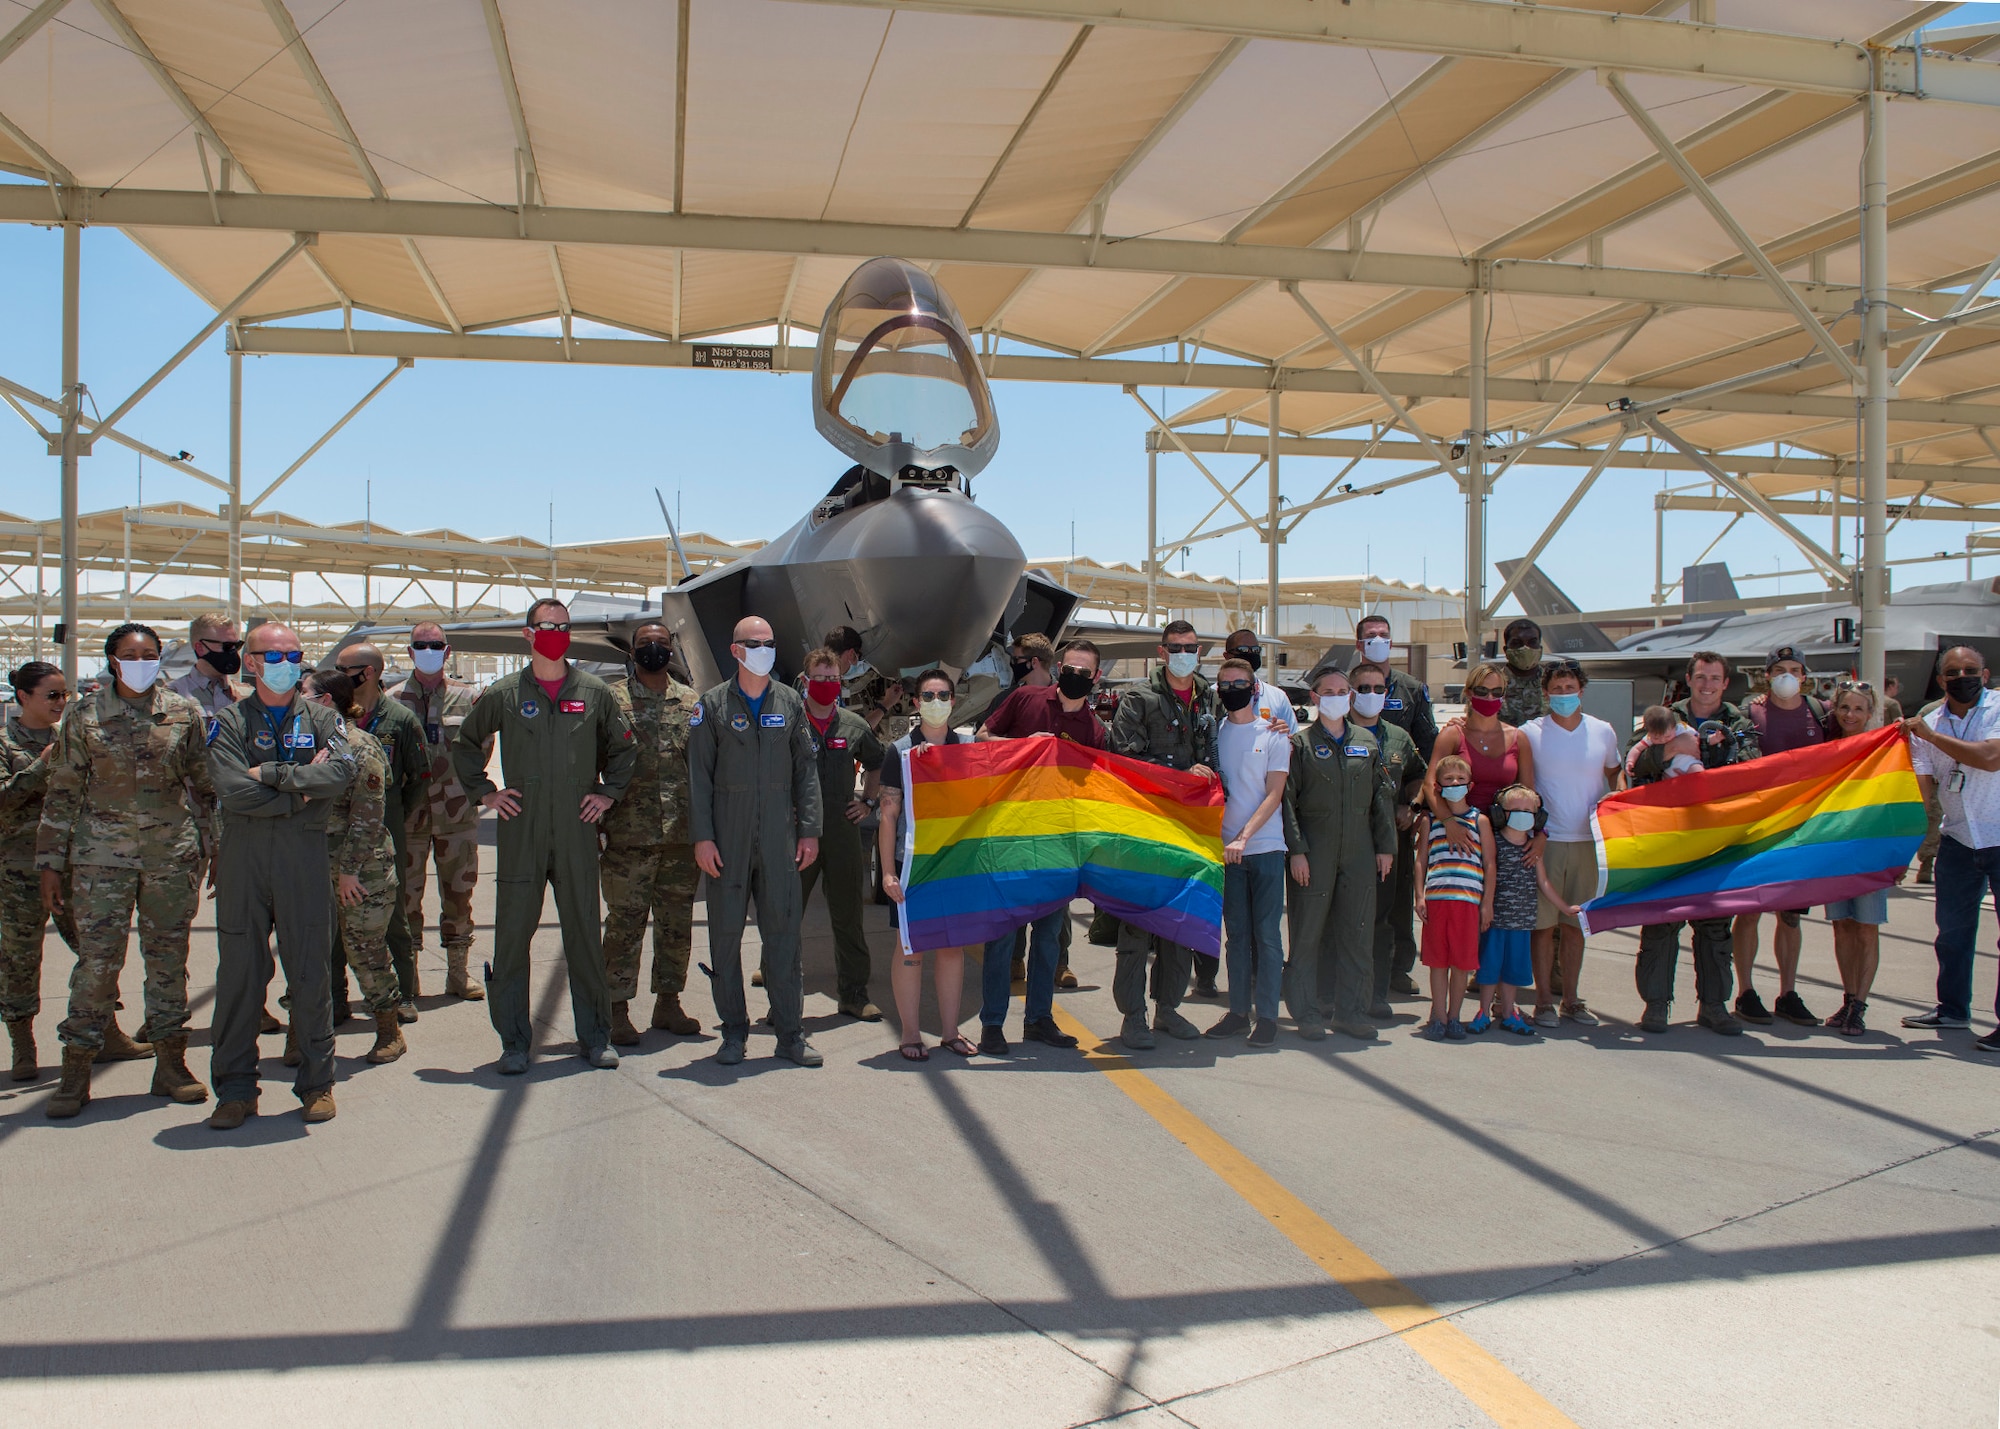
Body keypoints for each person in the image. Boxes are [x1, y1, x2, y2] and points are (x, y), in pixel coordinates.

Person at [35, 625, 215, 1120]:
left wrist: (215, 846)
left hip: (170, 858)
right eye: (130, 654)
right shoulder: (84, 714)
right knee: (96, 965)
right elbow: (63, 790)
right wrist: (50, 863)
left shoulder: (183, 712)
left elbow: (204, 785)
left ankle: (171, 1064)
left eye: (150, 654)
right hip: (99, 861)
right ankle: (76, 1073)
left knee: (167, 961)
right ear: (112, 660)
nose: (141, 661)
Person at [453, 599, 636, 1074]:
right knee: (512, 939)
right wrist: (485, 793)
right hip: (522, 831)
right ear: (528, 634)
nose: (554, 632)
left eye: (562, 626)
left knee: (584, 938)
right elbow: (466, 743)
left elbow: (624, 750)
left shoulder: (594, 692)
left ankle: (595, 1037)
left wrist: (608, 794)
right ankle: (514, 1042)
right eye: (546, 626)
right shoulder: (506, 693)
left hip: (576, 830)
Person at [204, 621, 355, 1130]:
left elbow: (340, 772)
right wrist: (301, 794)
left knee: (311, 973)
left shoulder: (322, 718)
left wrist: (270, 774)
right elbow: (230, 789)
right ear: (250, 662)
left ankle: (317, 1084)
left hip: (304, 858)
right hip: (245, 859)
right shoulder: (226, 722)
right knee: (240, 975)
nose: (286, 663)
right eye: (274, 655)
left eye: (294, 654)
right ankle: (236, 1088)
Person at [689, 616, 824, 1068]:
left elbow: (806, 771)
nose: (764, 649)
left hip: (779, 841)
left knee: (784, 937)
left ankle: (790, 1033)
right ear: (736, 650)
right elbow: (699, 780)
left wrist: (810, 830)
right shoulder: (712, 706)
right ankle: (733, 1033)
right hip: (726, 837)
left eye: (769, 642)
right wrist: (703, 838)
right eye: (754, 642)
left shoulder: (789, 703)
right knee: (725, 937)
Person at [970, 640, 1101, 1054]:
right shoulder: (1026, 699)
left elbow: (1097, 789)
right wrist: (1024, 747)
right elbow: (982, 737)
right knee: (1003, 935)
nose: (1076, 677)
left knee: (1048, 938)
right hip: (1012, 835)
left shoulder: (1096, 730)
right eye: (1071, 669)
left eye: (1085, 673)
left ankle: (1039, 1019)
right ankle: (992, 1023)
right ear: (1059, 667)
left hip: (1059, 844)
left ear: (1095, 678)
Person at [1108, 620, 1220, 1049]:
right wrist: (1180, 773)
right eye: (1175, 647)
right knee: (1137, 924)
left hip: (1190, 827)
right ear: (1162, 651)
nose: (1183, 653)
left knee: (1180, 922)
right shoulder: (1140, 698)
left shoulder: (1208, 696)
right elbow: (1125, 758)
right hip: (1146, 823)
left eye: (1190, 647)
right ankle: (1132, 1016)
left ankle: (1168, 1009)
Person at [1628, 652, 1749, 1037]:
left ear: (1725, 682)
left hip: (1717, 837)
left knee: (1715, 926)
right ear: (1689, 679)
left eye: (1715, 678)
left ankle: (1714, 1005)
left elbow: (1750, 766)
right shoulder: (1663, 716)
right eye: (1701, 677)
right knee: (1661, 922)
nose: (1708, 684)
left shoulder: (1738, 722)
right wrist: (1673, 750)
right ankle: (1656, 1004)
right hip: (1669, 834)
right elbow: (1636, 761)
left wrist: (1710, 759)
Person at [600, 621, 704, 1043]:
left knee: (676, 923)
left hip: (681, 833)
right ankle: (615, 1008)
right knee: (624, 923)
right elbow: (593, 759)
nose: (654, 651)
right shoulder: (612, 700)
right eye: (646, 645)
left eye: (662, 645)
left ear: (672, 651)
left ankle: (668, 1004)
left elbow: (703, 767)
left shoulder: (691, 702)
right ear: (633, 651)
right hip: (628, 835)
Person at [1282, 666, 1395, 1041]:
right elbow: (1288, 803)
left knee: (1358, 934)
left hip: (1360, 850)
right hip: (1315, 849)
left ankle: (1352, 1011)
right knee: (1307, 935)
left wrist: (1386, 847)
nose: (1336, 697)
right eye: (1327, 691)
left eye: (1343, 691)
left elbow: (1381, 798)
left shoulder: (1367, 741)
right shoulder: (1299, 745)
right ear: (1314, 698)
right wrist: (1297, 851)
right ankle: (1307, 1012)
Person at [302, 670, 408, 1064]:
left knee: (365, 950)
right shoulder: (308, 744)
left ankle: (389, 1030)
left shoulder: (359, 747)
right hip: (315, 866)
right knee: (309, 951)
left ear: (326, 701)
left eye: (305, 694)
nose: (299, 700)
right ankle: (305, 1032)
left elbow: (369, 815)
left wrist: (348, 871)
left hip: (361, 870)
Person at [1902, 646, 2000, 1052]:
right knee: (1953, 932)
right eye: (1954, 672)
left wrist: (1930, 737)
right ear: (1941, 680)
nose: (1964, 676)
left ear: (1986, 673)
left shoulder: (1996, 708)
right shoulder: (1929, 722)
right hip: (1958, 839)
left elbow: (1992, 758)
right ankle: (1953, 1008)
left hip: (1998, 835)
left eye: (1971, 670)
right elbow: (1922, 791)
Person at [877, 669, 978, 1060]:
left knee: (952, 949)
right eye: (928, 696)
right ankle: (909, 1033)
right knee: (910, 949)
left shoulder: (966, 749)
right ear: (916, 703)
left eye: (944, 695)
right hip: (910, 867)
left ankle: (950, 1032)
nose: (936, 702)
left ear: (954, 701)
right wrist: (887, 871)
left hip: (953, 867)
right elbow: (888, 816)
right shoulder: (899, 752)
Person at [1518, 659, 1620, 1028]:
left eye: (1570, 688)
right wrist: (1537, 834)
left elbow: (1614, 772)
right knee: (1543, 927)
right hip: (1547, 841)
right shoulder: (1529, 733)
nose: (1564, 695)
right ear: (1545, 693)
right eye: (1557, 689)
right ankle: (1543, 1001)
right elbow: (1527, 787)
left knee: (1577, 924)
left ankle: (1572, 1000)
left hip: (1589, 842)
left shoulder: (1603, 731)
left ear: (1581, 689)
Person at [331, 641, 428, 1023]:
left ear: (367, 672)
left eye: (345, 667)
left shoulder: (401, 719)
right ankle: (336, 998)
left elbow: (419, 776)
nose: (339, 673)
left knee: (393, 914)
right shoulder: (330, 719)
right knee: (334, 918)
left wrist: (397, 812)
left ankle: (404, 993)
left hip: (386, 825)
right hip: (336, 829)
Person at [1731, 645, 1826, 1027]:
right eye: (1779, 669)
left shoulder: (1821, 712)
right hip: (1759, 827)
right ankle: (1746, 991)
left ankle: (1788, 992)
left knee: (1790, 916)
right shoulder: (1749, 712)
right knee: (1749, 910)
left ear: (1804, 675)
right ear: (1766, 675)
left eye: (1794, 669)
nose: (1787, 675)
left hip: (1802, 828)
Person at [394, 620, 487, 1002]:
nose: (428, 650)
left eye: (436, 645)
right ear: (410, 651)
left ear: (447, 652)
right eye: (421, 644)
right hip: (409, 816)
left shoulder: (469, 698)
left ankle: (458, 974)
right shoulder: (391, 699)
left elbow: (483, 748)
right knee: (405, 898)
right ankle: (408, 976)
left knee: (460, 895)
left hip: (456, 815)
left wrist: (461, 791)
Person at [796, 645, 888, 1023]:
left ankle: (853, 993)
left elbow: (877, 762)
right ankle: (778, 987)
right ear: (805, 681)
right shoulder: (787, 722)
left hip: (842, 830)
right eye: (819, 679)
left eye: (833, 680)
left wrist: (868, 802)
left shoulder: (853, 725)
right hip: (797, 831)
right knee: (784, 913)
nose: (827, 686)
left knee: (848, 915)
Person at [1207, 657, 1290, 1046]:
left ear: (1254, 688)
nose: (1231, 690)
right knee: (1236, 936)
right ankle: (1239, 1012)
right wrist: (1227, 841)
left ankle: (1268, 1016)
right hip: (1226, 853)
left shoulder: (1274, 734)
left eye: (1238, 683)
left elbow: (1274, 793)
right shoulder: (1214, 734)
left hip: (1265, 848)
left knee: (1267, 936)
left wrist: (1244, 837)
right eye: (1224, 683)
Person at [1355, 614, 1436, 999]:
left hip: (1397, 811)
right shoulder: (1350, 685)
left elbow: (1426, 750)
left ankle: (1397, 967)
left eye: (1384, 636)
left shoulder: (1412, 688)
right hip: (1355, 812)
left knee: (1399, 892)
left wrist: (1415, 805)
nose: (1378, 641)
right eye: (1371, 637)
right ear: (1359, 644)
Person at [1, 662, 75, 1081]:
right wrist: (40, 766)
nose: (60, 702)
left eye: (64, 695)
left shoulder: (72, 738)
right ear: (24, 697)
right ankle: (23, 1045)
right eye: (52, 695)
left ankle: (102, 1029)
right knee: (19, 959)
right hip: (18, 869)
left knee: (96, 952)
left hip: (68, 866)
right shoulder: (5, 743)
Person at [1346, 660, 1424, 1016]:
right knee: (1341, 919)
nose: (1373, 695)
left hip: (1386, 845)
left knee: (1381, 921)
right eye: (1364, 689)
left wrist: (1411, 804)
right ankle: (1335, 991)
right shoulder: (1334, 732)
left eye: (1379, 689)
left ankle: (1375, 994)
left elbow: (1417, 777)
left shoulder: (1398, 737)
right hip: (1344, 841)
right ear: (1350, 693)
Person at [1821, 682, 1895, 1036]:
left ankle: (1860, 1005)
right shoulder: (1827, 749)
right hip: (1835, 851)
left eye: (1858, 709)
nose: (1851, 715)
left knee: (1866, 928)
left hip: (1870, 851)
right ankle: (1848, 997)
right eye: (1844, 708)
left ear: (1870, 713)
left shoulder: (1883, 748)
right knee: (1842, 926)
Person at [1473, 784, 1570, 1037]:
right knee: (1489, 968)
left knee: (1513, 971)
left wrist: (1565, 908)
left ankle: (1508, 1013)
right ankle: (1483, 1012)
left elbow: (1544, 883)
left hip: (1522, 922)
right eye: (1515, 809)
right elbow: (1488, 874)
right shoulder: (1494, 842)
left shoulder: (1532, 848)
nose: (1523, 814)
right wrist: (1487, 907)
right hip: (1495, 920)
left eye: (1528, 810)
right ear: (1500, 813)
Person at [1414, 755, 1490, 1040]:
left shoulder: (1479, 820)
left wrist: (1487, 903)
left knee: (1462, 964)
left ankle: (1456, 1016)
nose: (1455, 783)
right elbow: (1421, 860)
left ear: (1470, 784)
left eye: (1460, 779)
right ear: (1438, 785)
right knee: (1437, 962)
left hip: (1468, 902)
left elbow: (1490, 864)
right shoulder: (1429, 821)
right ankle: (1439, 1015)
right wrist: (1419, 896)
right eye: (1448, 779)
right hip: (1436, 899)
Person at [1428, 662, 1536, 818]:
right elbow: (1429, 786)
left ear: (1504, 696)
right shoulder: (1452, 735)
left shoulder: (1518, 738)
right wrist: (1449, 822)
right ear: (1469, 693)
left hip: (1506, 833)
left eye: (1497, 692)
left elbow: (1528, 793)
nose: (1490, 697)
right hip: (1461, 832)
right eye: (1482, 691)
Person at [168, 610, 244, 719]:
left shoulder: (249, 695)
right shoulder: (172, 694)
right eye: (227, 646)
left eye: (236, 646)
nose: (233, 652)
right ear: (200, 648)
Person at [1221, 629, 1299, 732]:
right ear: (1227, 656)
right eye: (1243, 650)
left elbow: (1294, 737)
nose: (1250, 654)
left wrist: (1285, 735)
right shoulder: (1211, 695)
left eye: (1256, 650)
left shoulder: (1277, 697)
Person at [1498, 618, 1547, 727]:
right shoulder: (1493, 685)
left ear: (1540, 649)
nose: (1525, 648)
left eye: (1532, 642)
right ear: (1506, 650)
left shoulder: (1555, 685)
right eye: (1517, 643)